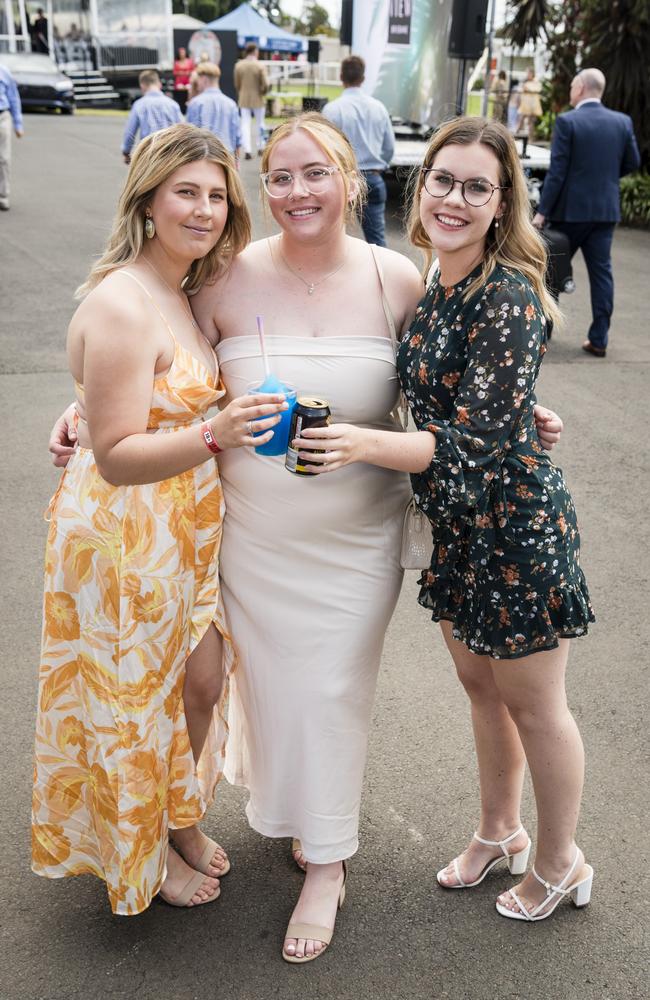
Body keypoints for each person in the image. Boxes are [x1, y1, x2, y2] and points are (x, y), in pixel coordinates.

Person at [47, 114, 563, 949]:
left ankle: (328, 860)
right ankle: (297, 815)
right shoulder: (223, 279)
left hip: (357, 536)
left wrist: (519, 412)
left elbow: (447, 379)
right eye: (280, 178)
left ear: (350, 180)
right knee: (274, 689)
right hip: (246, 535)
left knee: (329, 690)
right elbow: (159, 365)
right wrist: (76, 413)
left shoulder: (398, 278)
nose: (298, 193)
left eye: (315, 174)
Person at [296, 116, 595, 925]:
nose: (454, 198)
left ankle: (563, 862)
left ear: (502, 205)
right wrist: (521, 402)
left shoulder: (505, 295)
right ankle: (502, 832)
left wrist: (362, 442)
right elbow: (462, 394)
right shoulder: (438, 279)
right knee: (481, 689)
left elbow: (467, 444)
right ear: (418, 187)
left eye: (476, 187)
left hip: (514, 531)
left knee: (535, 703)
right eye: (442, 180)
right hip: (455, 530)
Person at [32, 123, 288, 915]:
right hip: (120, 535)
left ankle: (176, 817)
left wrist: (75, 411)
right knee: (132, 701)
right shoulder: (123, 300)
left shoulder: (176, 288)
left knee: (201, 679)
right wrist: (215, 433)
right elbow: (114, 452)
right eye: (187, 192)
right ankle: (141, 854)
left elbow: (113, 406)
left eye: (217, 195)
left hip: (175, 533)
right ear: (147, 199)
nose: (205, 209)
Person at [533, 68, 640, 358]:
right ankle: (599, 338)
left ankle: (543, 332)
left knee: (551, 270)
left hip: (569, 212)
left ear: (580, 88)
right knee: (602, 273)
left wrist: (542, 212)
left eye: (571, 85)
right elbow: (633, 161)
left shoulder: (569, 121)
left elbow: (557, 173)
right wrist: (604, 178)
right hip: (604, 211)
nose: (569, 90)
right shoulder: (622, 122)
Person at [322, 54, 394, 247]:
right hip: (372, 178)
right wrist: (381, 166)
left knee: (331, 239)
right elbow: (389, 147)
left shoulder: (332, 110)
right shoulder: (379, 108)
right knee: (377, 241)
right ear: (363, 79)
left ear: (341, 77)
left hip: (341, 179)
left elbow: (323, 149)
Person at [121, 70, 183, 165]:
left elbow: (130, 132)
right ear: (159, 84)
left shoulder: (139, 105)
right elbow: (183, 130)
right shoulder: (172, 105)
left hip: (149, 154)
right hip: (169, 153)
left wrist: (126, 151)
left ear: (142, 85)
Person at [186, 63, 241, 160]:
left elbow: (190, 136)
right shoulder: (230, 104)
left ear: (204, 79)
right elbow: (237, 138)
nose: (197, 82)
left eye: (198, 79)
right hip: (227, 157)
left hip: (204, 157)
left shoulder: (196, 103)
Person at [233, 43, 268, 160]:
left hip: (243, 98)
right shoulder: (260, 65)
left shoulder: (239, 65)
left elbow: (237, 84)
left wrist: (241, 92)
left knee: (245, 124)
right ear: (255, 51)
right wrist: (263, 92)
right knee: (260, 123)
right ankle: (261, 147)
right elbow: (265, 84)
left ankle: (247, 149)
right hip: (258, 97)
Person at [0, 61, 23, 212]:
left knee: (3, 158)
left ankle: (3, 196)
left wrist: (18, 124)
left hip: (2, 117)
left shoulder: (3, 71)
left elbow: (14, 98)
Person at [517, 68, 542, 138]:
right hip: (526, 105)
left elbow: (537, 90)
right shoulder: (526, 82)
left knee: (531, 121)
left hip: (533, 105)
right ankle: (516, 134)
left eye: (529, 73)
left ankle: (531, 137)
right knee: (521, 119)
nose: (527, 75)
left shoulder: (536, 82)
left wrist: (528, 89)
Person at [173, 46, 195, 113]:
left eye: (183, 52)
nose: (182, 54)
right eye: (181, 53)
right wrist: (184, 73)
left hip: (188, 83)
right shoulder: (176, 62)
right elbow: (175, 72)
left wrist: (183, 73)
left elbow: (192, 71)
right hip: (179, 83)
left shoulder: (190, 62)